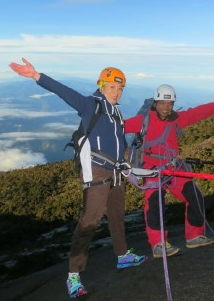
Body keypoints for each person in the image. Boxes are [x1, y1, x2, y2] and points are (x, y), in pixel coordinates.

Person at [9, 58, 146, 299]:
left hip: (115, 171)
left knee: (116, 215)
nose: (117, 92)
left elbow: (117, 141)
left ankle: (123, 255)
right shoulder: (91, 104)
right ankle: (73, 275)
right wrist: (37, 76)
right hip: (96, 172)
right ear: (101, 85)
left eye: (120, 88)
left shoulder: (116, 112)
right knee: (89, 222)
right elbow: (65, 92)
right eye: (112, 87)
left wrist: (125, 163)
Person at [126, 84, 214, 258]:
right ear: (155, 103)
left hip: (172, 167)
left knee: (194, 194)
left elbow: (197, 113)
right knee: (155, 203)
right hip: (152, 169)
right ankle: (158, 244)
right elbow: (118, 128)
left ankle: (194, 236)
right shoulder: (143, 120)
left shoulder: (175, 119)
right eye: (163, 103)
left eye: (170, 104)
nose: (167, 107)